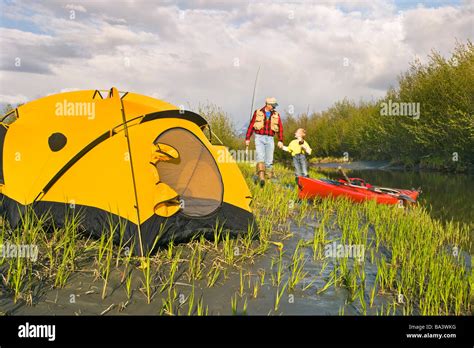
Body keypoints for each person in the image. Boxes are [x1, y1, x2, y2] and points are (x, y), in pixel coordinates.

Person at [245, 97, 284, 187]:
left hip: (270, 139)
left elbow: (280, 128)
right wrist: (247, 138)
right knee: (260, 157)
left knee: (269, 161)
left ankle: (268, 180)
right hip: (259, 138)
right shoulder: (258, 112)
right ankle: (261, 178)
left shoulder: (276, 114)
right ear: (268, 104)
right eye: (273, 105)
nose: (274, 107)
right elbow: (251, 126)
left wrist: (280, 140)